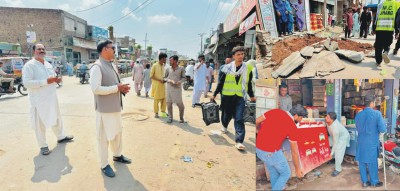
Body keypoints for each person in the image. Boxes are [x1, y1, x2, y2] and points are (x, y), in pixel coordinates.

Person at [89, 40, 132, 178]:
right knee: (103, 138)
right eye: (112, 48)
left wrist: (121, 89)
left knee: (117, 133)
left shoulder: (111, 65)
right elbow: (95, 89)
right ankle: (104, 164)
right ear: (104, 50)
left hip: (115, 107)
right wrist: (116, 88)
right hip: (103, 110)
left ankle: (117, 155)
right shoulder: (97, 67)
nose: (114, 50)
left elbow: (114, 84)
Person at [22, 44, 74, 156]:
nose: (41, 51)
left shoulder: (48, 64)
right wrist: (46, 81)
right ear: (34, 52)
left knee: (57, 118)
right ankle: (43, 146)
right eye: (38, 49)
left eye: (43, 49)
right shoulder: (29, 66)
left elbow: (52, 77)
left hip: (51, 97)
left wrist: (57, 80)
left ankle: (61, 137)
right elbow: (27, 83)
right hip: (38, 101)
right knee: (39, 124)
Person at [211, 46, 256, 151]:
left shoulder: (248, 68)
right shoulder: (225, 68)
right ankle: (225, 126)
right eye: (238, 55)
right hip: (227, 96)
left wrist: (252, 96)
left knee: (239, 118)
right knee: (227, 115)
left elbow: (248, 84)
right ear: (233, 56)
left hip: (240, 97)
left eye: (242, 54)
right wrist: (215, 94)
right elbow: (220, 83)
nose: (241, 56)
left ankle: (239, 141)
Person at [255, 104, 307, 191]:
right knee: (286, 173)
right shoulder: (292, 127)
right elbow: (294, 152)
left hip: (259, 149)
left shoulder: (276, 111)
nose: (301, 121)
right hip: (271, 152)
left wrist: (258, 130)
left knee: (273, 171)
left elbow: (257, 121)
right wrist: (298, 170)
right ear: (296, 115)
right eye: (301, 118)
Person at [355, 95, 386, 188]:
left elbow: (357, 127)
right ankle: (374, 182)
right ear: (372, 103)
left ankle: (364, 182)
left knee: (362, 161)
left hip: (361, 141)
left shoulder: (358, 115)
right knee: (372, 162)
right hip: (371, 142)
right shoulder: (377, 113)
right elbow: (382, 129)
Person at [373, 0, 400, 66]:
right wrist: (397, 30)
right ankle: (386, 51)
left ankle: (378, 61)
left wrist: (374, 27)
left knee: (378, 45)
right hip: (389, 28)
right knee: (388, 43)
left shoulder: (381, 3)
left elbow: (376, 16)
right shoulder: (397, 3)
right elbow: (398, 18)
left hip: (379, 28)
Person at [325, 112, 350, 177]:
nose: (325, 118)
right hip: (334, 136)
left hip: (343, 137)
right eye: (326, 116)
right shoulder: (328, 122)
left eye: (327, 118)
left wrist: (331, 154)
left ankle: (338, 169)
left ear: (332, 120)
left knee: (338, 151)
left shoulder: (335, 128)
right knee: (328, 144)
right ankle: (333, 158)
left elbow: (335, 143)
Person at [164, 55, 186, 124]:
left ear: (176, 61)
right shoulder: (168, 69)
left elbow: (184, 78)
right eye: (170, 60)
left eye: (171, 60)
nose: (170, 61)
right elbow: (164, 78)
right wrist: (170, 80)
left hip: (177, 89)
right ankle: (170, 117)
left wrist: (179, 82)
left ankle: (181, 117)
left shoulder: (181, 68)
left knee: (180, 104)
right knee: (168, 103)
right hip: (169, 89)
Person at [150, 53, 167, 118]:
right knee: (156, 99)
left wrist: (165, 79)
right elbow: (151, 76)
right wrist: (160, 80)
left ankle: (163, 113)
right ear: (162, 58)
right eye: (165, 58)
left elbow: (163, 75)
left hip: (163, 85)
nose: (166, 59)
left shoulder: (163, 66)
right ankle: (156, 113)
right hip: (156, 86)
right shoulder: (154, 65)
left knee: (164, 99)